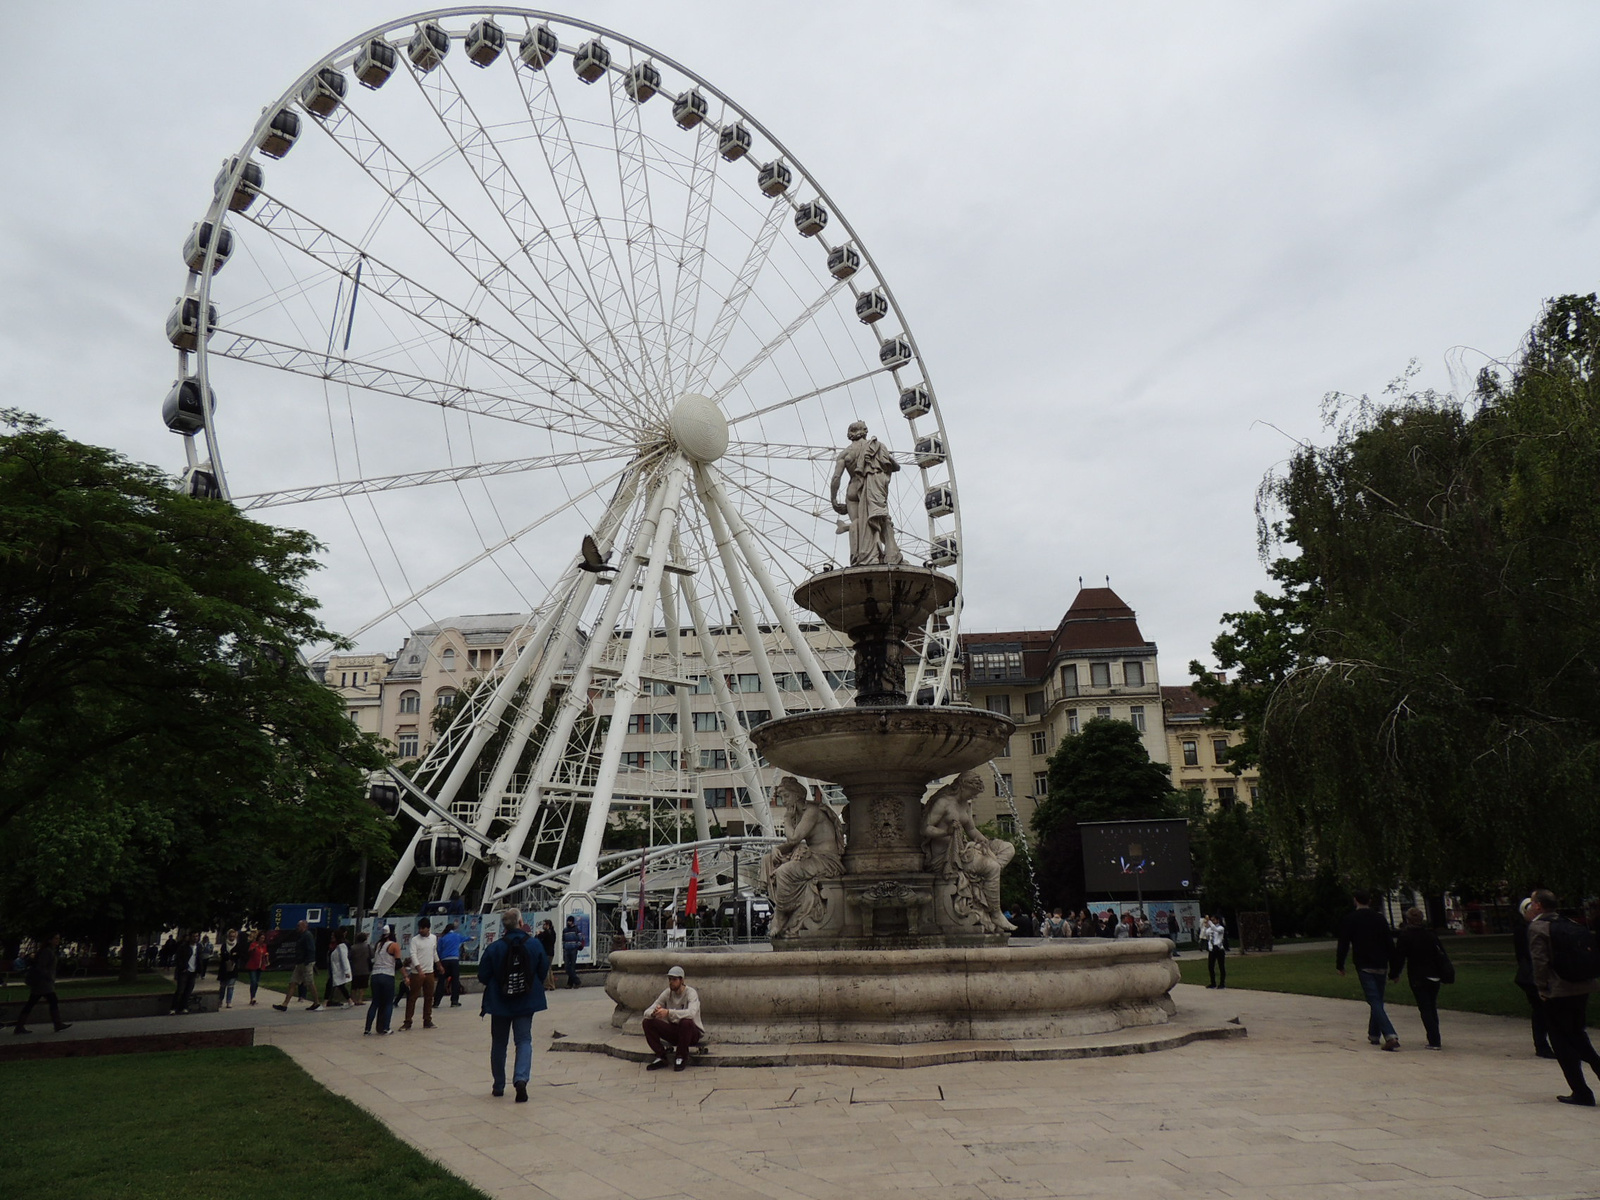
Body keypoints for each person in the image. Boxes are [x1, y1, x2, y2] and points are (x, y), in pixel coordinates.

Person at [1527, 889, 1600, 1105]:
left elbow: (1539, 961)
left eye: (1532, 903)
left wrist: (1541, 988)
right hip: (1582, 986)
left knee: (1561, 1041)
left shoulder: (1539, 927)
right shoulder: (1569, 923)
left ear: (1539, 905)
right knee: (1577, 1034)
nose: (1530, 907)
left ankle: (1581, 1091)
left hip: (1558, 989)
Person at [921, 769, 1016, 932]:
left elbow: (971, 830)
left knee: (1007, 848)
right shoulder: (943, 803)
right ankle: (995, 913)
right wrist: (946, 832)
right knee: (992, 867)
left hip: (963, 848)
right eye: (972, 792)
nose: (973, 797)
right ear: (962, 786)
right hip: (948, 855)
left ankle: (986, 877)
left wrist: (983, 840)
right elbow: (924, 829)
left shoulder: (965, 804)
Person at [477, 908, 549, 1102]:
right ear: (520, 922)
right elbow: (543, 971)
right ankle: (521, 1078)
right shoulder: (534, 944)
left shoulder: (494, 948)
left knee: (499, 1043)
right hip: (526, 1000)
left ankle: (499, 1084)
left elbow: (482, 975)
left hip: (500, 1002)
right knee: (524, 1040)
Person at [762, 776, 845, 937]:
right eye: (781, 797)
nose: (783, 801)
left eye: (786, 796)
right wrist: (776, 849)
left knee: (784, 872)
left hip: (826, 860)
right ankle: (784, 907)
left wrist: (786, 819)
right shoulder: (799, 814)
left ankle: (781, 914)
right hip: (814, 857)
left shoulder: (811, 811)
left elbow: (794, 838)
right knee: (768, 860)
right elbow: (792, 842)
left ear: (797, 795)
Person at [829, 419, 903, 566]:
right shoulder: (877, 446)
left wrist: (833, 499)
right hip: (873, 487)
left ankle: (860, 557)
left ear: (850, 435)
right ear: (865, 431)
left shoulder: (845, 454)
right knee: (880, 518)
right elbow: (895, 467)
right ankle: (886, 555)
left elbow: (836, 477)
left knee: (857, 522)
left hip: (853, 489)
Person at [1336, 890, 1398, 1050]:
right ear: (1370, 901)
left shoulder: (1350, 919)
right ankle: (1374, 1034)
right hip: (1381, 963)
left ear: (1355, 900)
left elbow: (1343, 943)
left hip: (1364, 964)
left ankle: (1390, 1035)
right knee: (1377, 999)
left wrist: (1340, 964)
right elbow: (1390, 945)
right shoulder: (1380, 918)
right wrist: (1395, 970)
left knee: (1374, 1000)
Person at [1389, 907, 1448, 1050]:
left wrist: (1395, 974)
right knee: (1432, 1006)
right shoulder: (1430, 935)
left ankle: (1434, 1040)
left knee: (1425, 1008)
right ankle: (1435, 1036)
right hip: (1434, 974)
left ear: (1408, 920)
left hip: (1418, 975)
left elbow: (1400, 957)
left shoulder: (1406, 936)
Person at [1513, 897, 1556, 1059]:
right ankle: (1542, 1044)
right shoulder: (1524, 929)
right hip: (1532, 974)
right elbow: (1525, 954)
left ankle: (1548, 1043)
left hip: (1538, 973)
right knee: (1540, 1011)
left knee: (1546, 1011)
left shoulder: (1535, 927)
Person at [642, 965, 704, 1072]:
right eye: (669, 979)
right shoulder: (667, 993)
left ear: (682, 980)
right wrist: (654, 1013)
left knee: (686, 1022)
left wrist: (669, 1013)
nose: (671, 982)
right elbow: (646, 1012)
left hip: (691, 1032)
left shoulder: (691, 993)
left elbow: (691, 1013)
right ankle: (661, 1056)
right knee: (647, 1022)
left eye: (674, 979)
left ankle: (681, 1057)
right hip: (675, 1031)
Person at [12, 933, 71, 1034]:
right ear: (49, 940)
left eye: (58, 938)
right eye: (55, 938)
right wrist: (48, 976)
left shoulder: (49, 951)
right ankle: (57, 1024)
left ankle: (20, 1026)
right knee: (51, 1000)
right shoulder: (47, 952)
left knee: (33, 1002)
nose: (58, 940)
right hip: (43, 983)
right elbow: (41, 967)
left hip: (43, 982)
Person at [272, 919, 322, 1013]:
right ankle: (285, 1004)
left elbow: (311, 949)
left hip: (306, 963)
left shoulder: (307, 935)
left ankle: (317, 1003)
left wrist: (308, 962)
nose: (297, 927)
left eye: (299, 926)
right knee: (293, 982)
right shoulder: (302, 936)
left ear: (304, 926)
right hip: (300, 963)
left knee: (310, 982)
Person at [365, 926, 403, 1036]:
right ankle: (386, 1027)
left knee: (375, 1003)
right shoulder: (394, 945)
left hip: (375, 975)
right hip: (387, 975)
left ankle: (367, 1029)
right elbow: (398, 963)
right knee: (388, 1003)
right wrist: (405, 975)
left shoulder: (378, 945)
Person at [402, 918, 439, 1030]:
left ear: (428, 928)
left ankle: (427, 1020)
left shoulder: (433, 938)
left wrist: (439, 965)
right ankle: (408, 1021)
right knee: (413, 997)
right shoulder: (415, 940)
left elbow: (434, 952)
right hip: (417, 973)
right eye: (420, 928)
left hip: (429, 971)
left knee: (429, 997)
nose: (420, 930)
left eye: (423, 928)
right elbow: (413, 955)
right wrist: (419, 969)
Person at [435, 922, 465, 1008]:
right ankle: (454, 1001)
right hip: (454, 960)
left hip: (444, 961)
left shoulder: (442, 938)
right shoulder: (457, 936)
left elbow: (439, 950)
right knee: (455, 981)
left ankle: (436, 1002)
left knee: (441, 981)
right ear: (454, 929)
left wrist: (439, 962)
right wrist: (471, 938)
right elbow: (465, 938)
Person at [171, 930, 202, 1014]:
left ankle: (184, 1007)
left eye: (197, 936)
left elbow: (199, 959)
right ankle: (174, 1008)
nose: (195, 938)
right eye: (194, 936)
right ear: (190, 937)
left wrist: (199, 971)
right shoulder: (184, 947)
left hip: (193, 972)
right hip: (184, 971)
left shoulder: (199, 947)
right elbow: (178, 959)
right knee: (180, 990)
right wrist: (182, 968)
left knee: (188, 991)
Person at [215, 928, 240, 1010]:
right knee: (222, 986)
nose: (232, 937)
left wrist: (233, 959)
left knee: (231, 986)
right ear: (228, 936)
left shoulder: (237, 945)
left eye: (233, 936)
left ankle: (229, 1001)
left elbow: (239, 955)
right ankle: (220, 1000)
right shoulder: (224, 945)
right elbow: (223, 955)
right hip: (224, 968)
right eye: (230, 936)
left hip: (233, 967)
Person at [326, 929, 352, 1007]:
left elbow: (344, 959)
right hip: (333, 968)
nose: (331, 937)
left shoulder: (341, 946)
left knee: (331, 984)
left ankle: (325, 1002)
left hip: (338, 970)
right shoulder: (334, 945)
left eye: (333, 936)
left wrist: (347, 971)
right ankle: (350, 1000)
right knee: (340, 986)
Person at [348, 930, 373, 1007]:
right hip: (365, 969)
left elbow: (349, 957)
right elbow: (372, 956)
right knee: (363, 985)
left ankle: (353, 999)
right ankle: (360, 999)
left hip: (355, 969)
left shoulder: (353, 947)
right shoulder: (368, 947)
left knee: (354, 985)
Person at [245, 930, 270, 1006]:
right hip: (252, 966)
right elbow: (250, 952)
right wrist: (254, 949)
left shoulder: (264, 946)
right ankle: (252, 997)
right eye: (261, 938)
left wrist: (266, 957)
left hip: (260, 966)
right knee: (253, 981)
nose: (262, 939)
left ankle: (254, 996)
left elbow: (265, 953)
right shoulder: (254, 944)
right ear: (258, 938)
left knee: (256, 983)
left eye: (263, 938)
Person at [1202, 916, 1228, 988]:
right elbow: (1205, 934)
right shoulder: (1210, 929)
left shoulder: (1220, 928)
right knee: (1211, 966)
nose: (1212, 921)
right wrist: (1206, 926)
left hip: (1219, 949)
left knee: (1221, 966)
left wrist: (1209, 922)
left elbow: (1216, 929)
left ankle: (1222, 983)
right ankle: (1213, 983)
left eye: (1214, 920)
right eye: (1212, 920)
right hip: (1212, 949)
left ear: (1218, 920)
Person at [561, 916, 585, 989]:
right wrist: (564, 947)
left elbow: (581, 939)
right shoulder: (565, 930)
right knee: (567, 967)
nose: (568, 922)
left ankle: (570, 984)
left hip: (573, 950)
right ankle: (576, 981)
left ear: (572, 922)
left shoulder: (576, 930)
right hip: (567, 950)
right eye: (568, 921)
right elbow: (563, 940)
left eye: (570, 921)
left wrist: (576, 946)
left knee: (572, 967)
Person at [535, 920, 557, 992]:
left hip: (546, 952)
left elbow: (538, 938)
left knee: (546, 969)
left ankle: (548, 985)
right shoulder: (553, 932)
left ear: (547, 925)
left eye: (544, 925)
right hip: (551, 952)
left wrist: (538, 934)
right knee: (549, 969)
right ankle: (552, 985)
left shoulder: (546, 932)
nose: (543, 926)